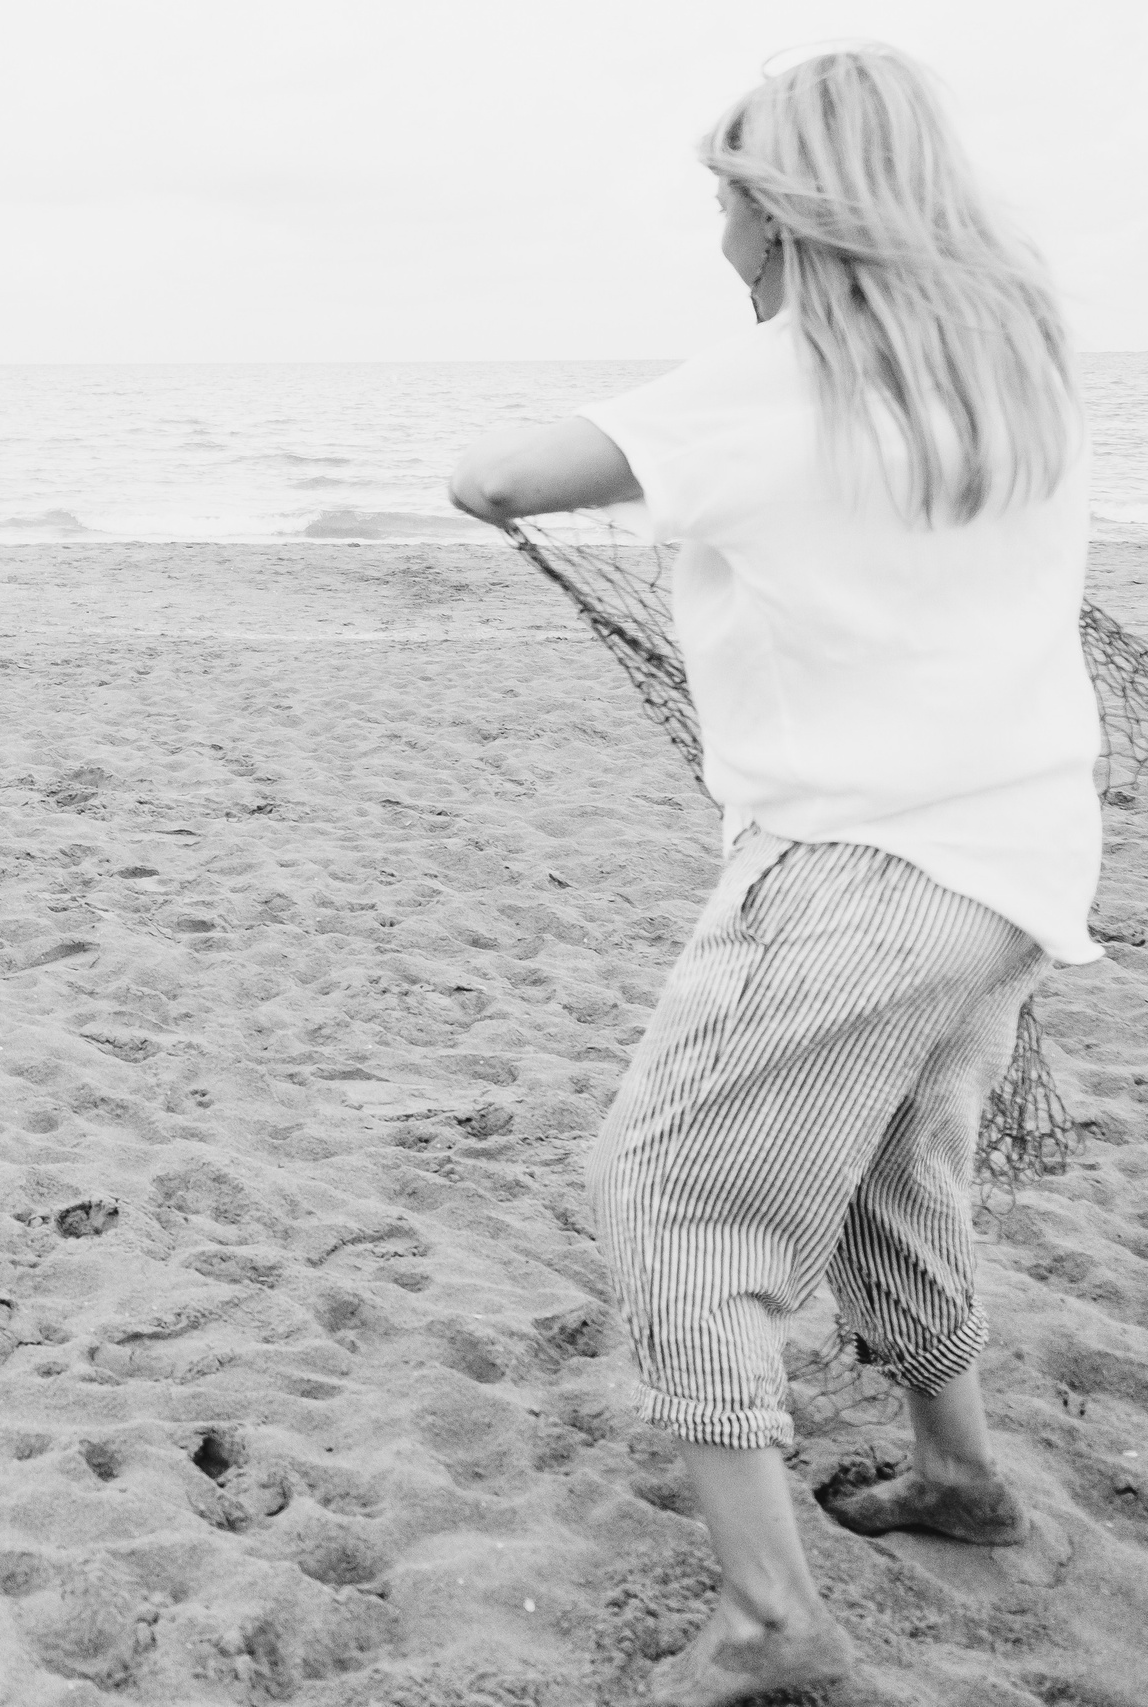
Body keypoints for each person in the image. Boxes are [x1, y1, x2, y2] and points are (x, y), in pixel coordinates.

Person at [448, 45, 1096, 1707]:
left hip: (857, 877)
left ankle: (770, 1619)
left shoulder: (782, 374)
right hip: (1012, 861)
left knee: (670, 1189)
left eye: (729, 193)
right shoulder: (1015, 360)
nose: (719, 227)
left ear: (786, 210)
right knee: (894, 1164)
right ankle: (954, 1464)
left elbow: (497, 477)